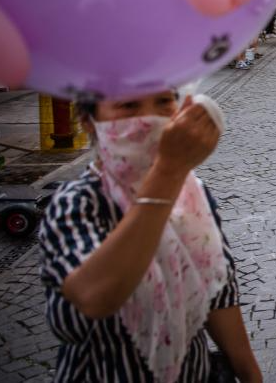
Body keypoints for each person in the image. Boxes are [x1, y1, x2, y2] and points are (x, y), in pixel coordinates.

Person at [39, 90, 262, 382]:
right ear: (89, 121)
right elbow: (95, 297)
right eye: (128, 104)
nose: (150, 117)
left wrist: (251, 375)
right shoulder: (78, 204)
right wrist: (168, 173)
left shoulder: (193, 196)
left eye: (164, 101)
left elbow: (218, 301)